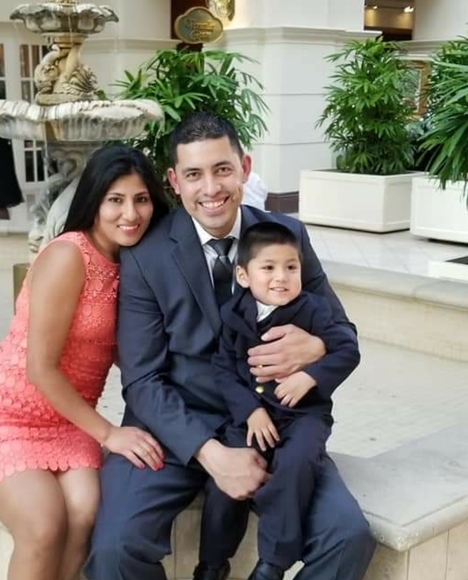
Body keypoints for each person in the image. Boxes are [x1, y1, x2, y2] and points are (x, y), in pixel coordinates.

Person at [85, 112, 376, 580]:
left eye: (222, 169)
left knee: (348, 538)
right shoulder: (145, 255)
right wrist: (211, 453)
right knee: (114, 552)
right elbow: (141, 380)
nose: (211, 188)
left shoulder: (288, 236)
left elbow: (343, 331)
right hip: (174, 431)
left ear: (244, 167)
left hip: (275, 428)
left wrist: (316, 347)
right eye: (194, 174)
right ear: (174, 181)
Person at [0, 145, 170, 580]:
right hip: (5, 414)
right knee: (43, 525)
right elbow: (40, 368)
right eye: (115, 200)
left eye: (141, 199)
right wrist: (110, 433)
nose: (131, 214)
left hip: (69, 424)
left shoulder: (135, 262)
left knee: (85, 514)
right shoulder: (69, 255)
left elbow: (135, 352)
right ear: (94, 200)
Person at [195, 221, 361, 580]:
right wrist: (250, 410)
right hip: (253, 418)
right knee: (226, 480)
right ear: (243, 275)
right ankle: (211, 563)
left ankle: (273, 562)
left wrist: (310, 375)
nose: (281, 278)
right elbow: (224, 368)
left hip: (304, 417)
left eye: (291, 267)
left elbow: (347, 350)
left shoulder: (314, 310)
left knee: (295, 466)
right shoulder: (233, 314)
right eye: (268, 268)